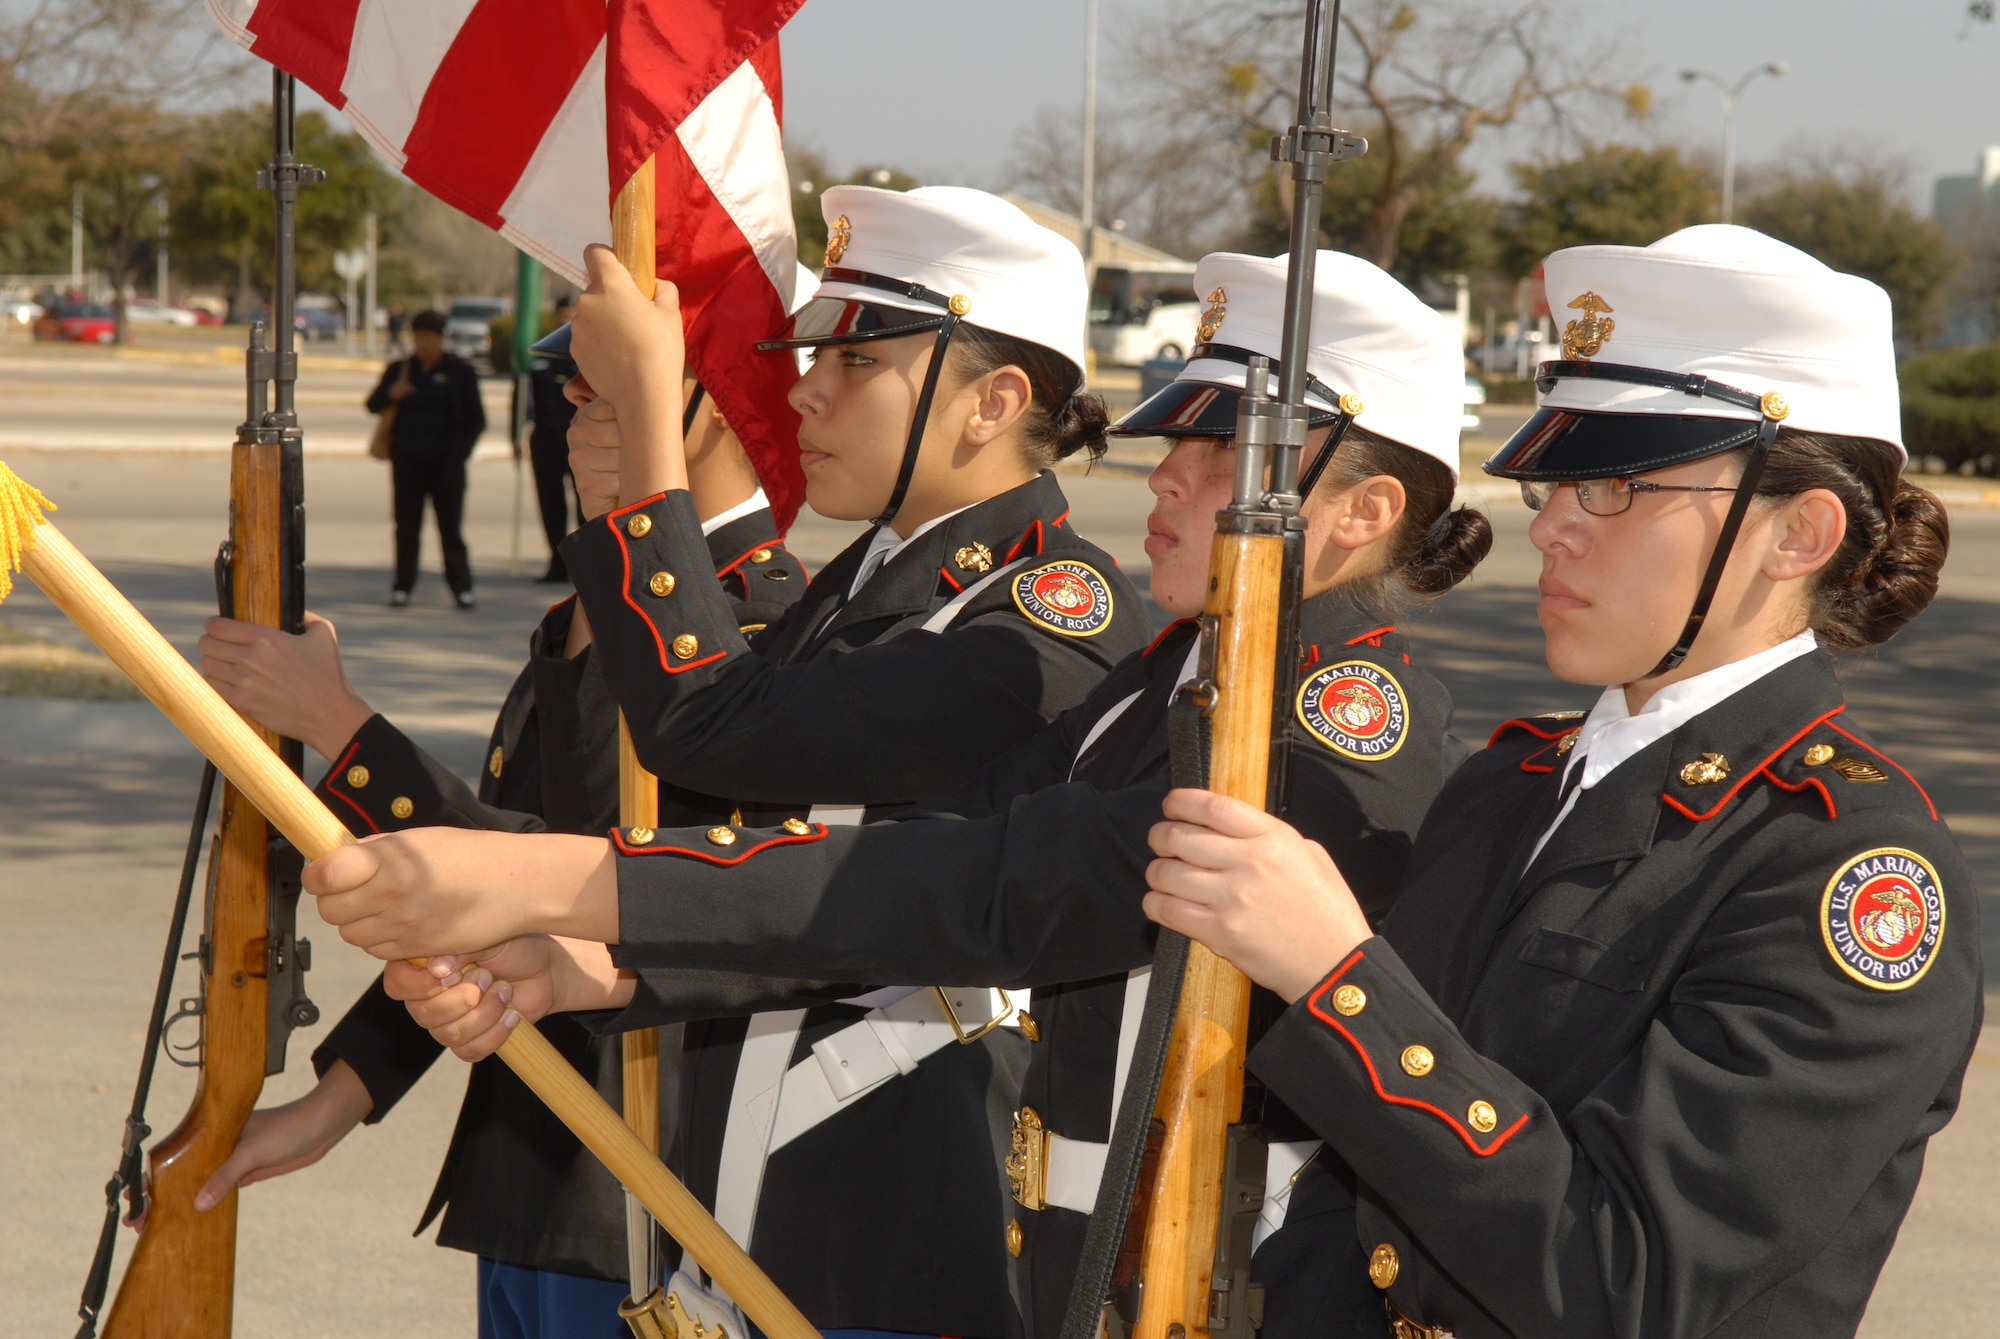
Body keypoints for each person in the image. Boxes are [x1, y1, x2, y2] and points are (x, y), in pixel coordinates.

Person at [302, 248, 1492, 1338]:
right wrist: (608, 963)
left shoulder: (1333, 735)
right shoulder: (1170, 687)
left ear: (1363, 513)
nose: (1168, 478)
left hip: (1210, 1289)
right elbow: (910, 871)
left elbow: (981, 882)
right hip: (1071, 1273)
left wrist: (567, 882)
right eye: (1174, 440)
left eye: (1221, 453)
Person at [1137, 225, 1983, 1338]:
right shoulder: (1510, 788)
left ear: (1797, 534)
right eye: (1555, 485)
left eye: (1618, 486)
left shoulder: (1849, 872)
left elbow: (1619, 1277)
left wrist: (1339, 979)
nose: (1552, 529)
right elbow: (1351, 1209)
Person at [193, 383, 806, 1337]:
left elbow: (584, 880)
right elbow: (487, 905)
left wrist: (340, 728)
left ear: (719, 406)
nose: (581, 426)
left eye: (617, 394)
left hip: (636, 1188)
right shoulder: (601, 606)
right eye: (577, 398)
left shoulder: (759, 631)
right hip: (524, 1169)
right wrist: (335, 1101)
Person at [368, 308, 486, 608]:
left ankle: (461, 587)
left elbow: (476, 419)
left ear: (441, 339)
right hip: (407, 463)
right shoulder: (400, 369)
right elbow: (372, 404)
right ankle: (403, 586)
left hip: (447, 465)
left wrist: (461, 452)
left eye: (430, 338)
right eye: (419, 337)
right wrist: (391, 393)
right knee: (406, 527)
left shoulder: (459, 371)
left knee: (451, 529)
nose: (424, 344)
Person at [527, 297, 582, 583]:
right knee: (550, 503)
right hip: (546, 437)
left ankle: (588, 564)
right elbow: (524, 403)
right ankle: (556, 562)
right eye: (561, 316)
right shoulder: (542, 359)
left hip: (579, 435)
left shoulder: (589, 357)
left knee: (585, 502)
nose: (564, 322)